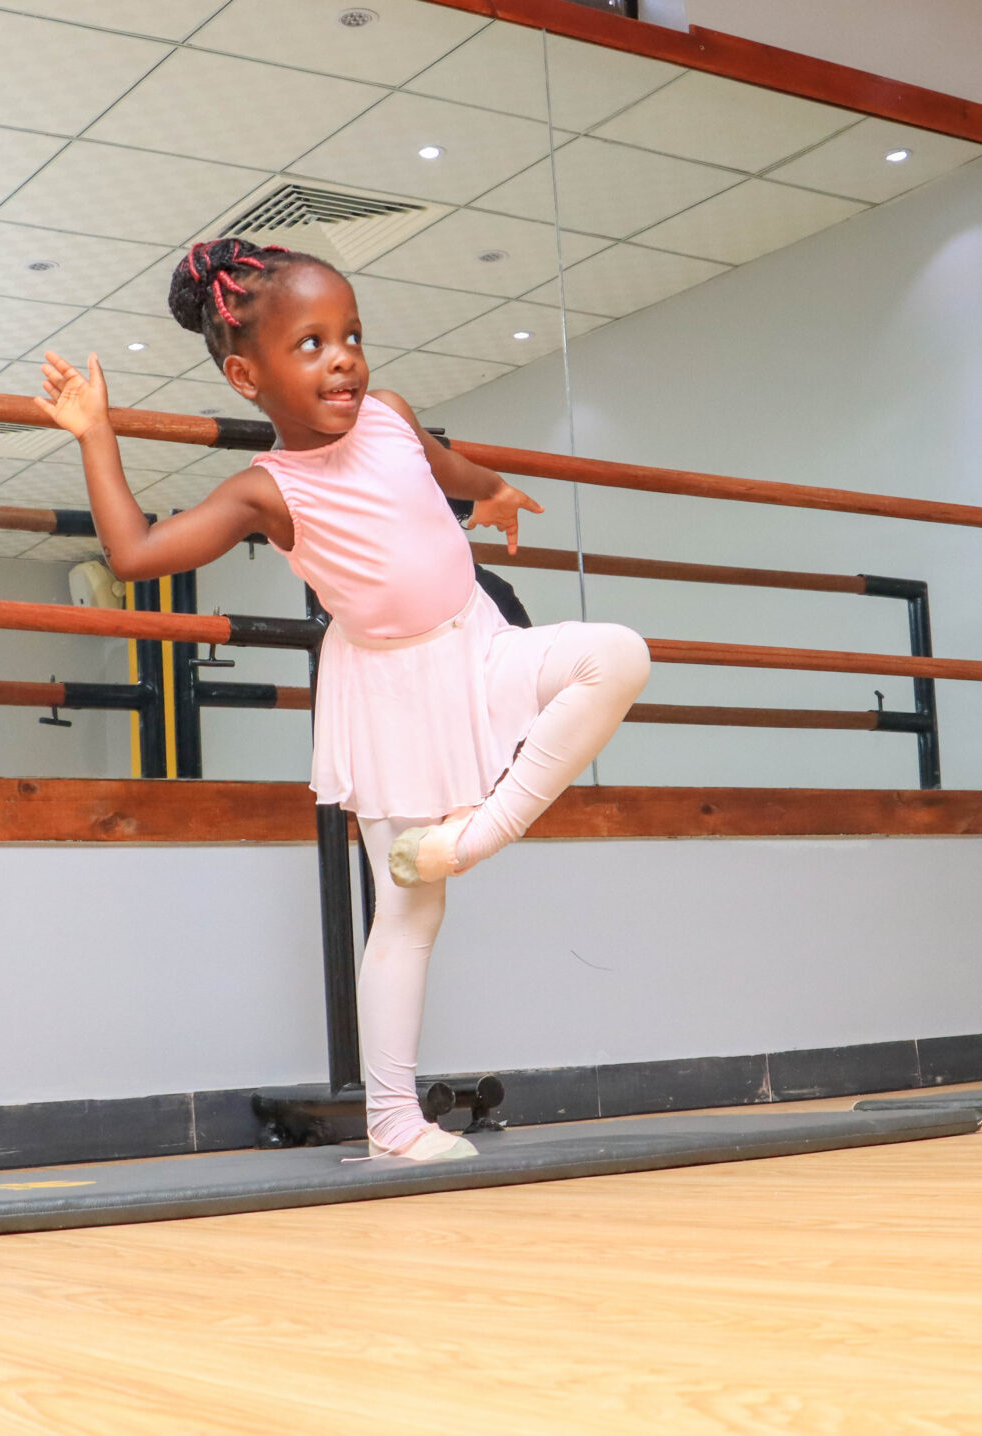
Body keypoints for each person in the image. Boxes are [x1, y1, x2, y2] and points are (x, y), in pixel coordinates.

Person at [33, 238, 649, 1162]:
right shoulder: (265, 491)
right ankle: (395, 1123)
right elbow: (134, 557)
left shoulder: (393, 416)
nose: (344, 358)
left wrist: (494, 493)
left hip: (479, 643)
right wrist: (97, 434)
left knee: (617, 654)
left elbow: (449, 473)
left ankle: (476, 837)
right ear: (248, 374)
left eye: (350, 334)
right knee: (407, 912)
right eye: (311, 344)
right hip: (389, 687)